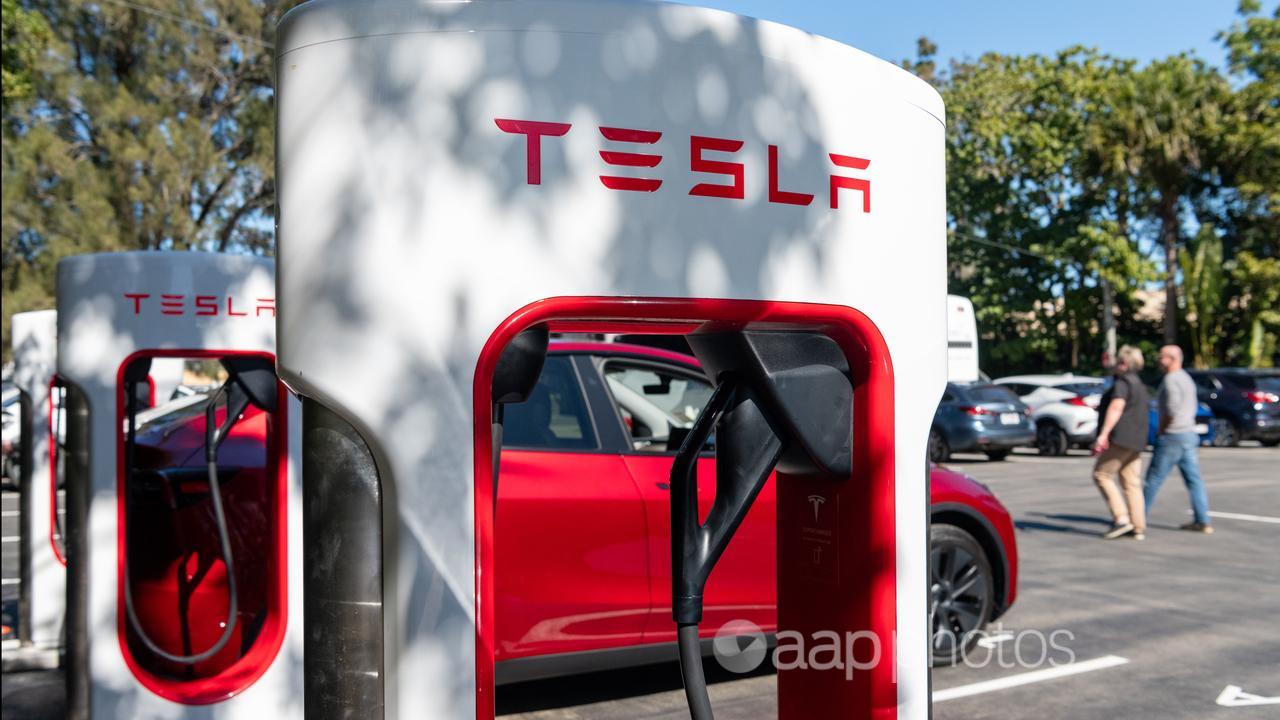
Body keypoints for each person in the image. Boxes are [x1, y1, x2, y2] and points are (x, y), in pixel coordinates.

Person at [1143, 345, 1213, 534]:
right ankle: (1202, 520)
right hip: (1188, 434)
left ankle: (1137, 520)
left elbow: (1172, 410)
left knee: (1153, 480)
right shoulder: (1186, 378)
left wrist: (1162, 430)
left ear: (1172, 359)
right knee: (1194, 480)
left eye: (1161, 357)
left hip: (1173, 435)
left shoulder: (1172, 379)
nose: (1158, 360)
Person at [1092, 345, 1150, 540]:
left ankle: (1121, 519)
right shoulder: (1140, 385)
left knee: (1101, 474)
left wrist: (1103, 434)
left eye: (1118, 361)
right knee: (1131, 481)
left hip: (1122, 438)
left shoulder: (1123, 383)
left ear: (1124, 363)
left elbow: (1117, 407)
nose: (1115, 365)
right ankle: (1138, 525)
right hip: (1137, 440)